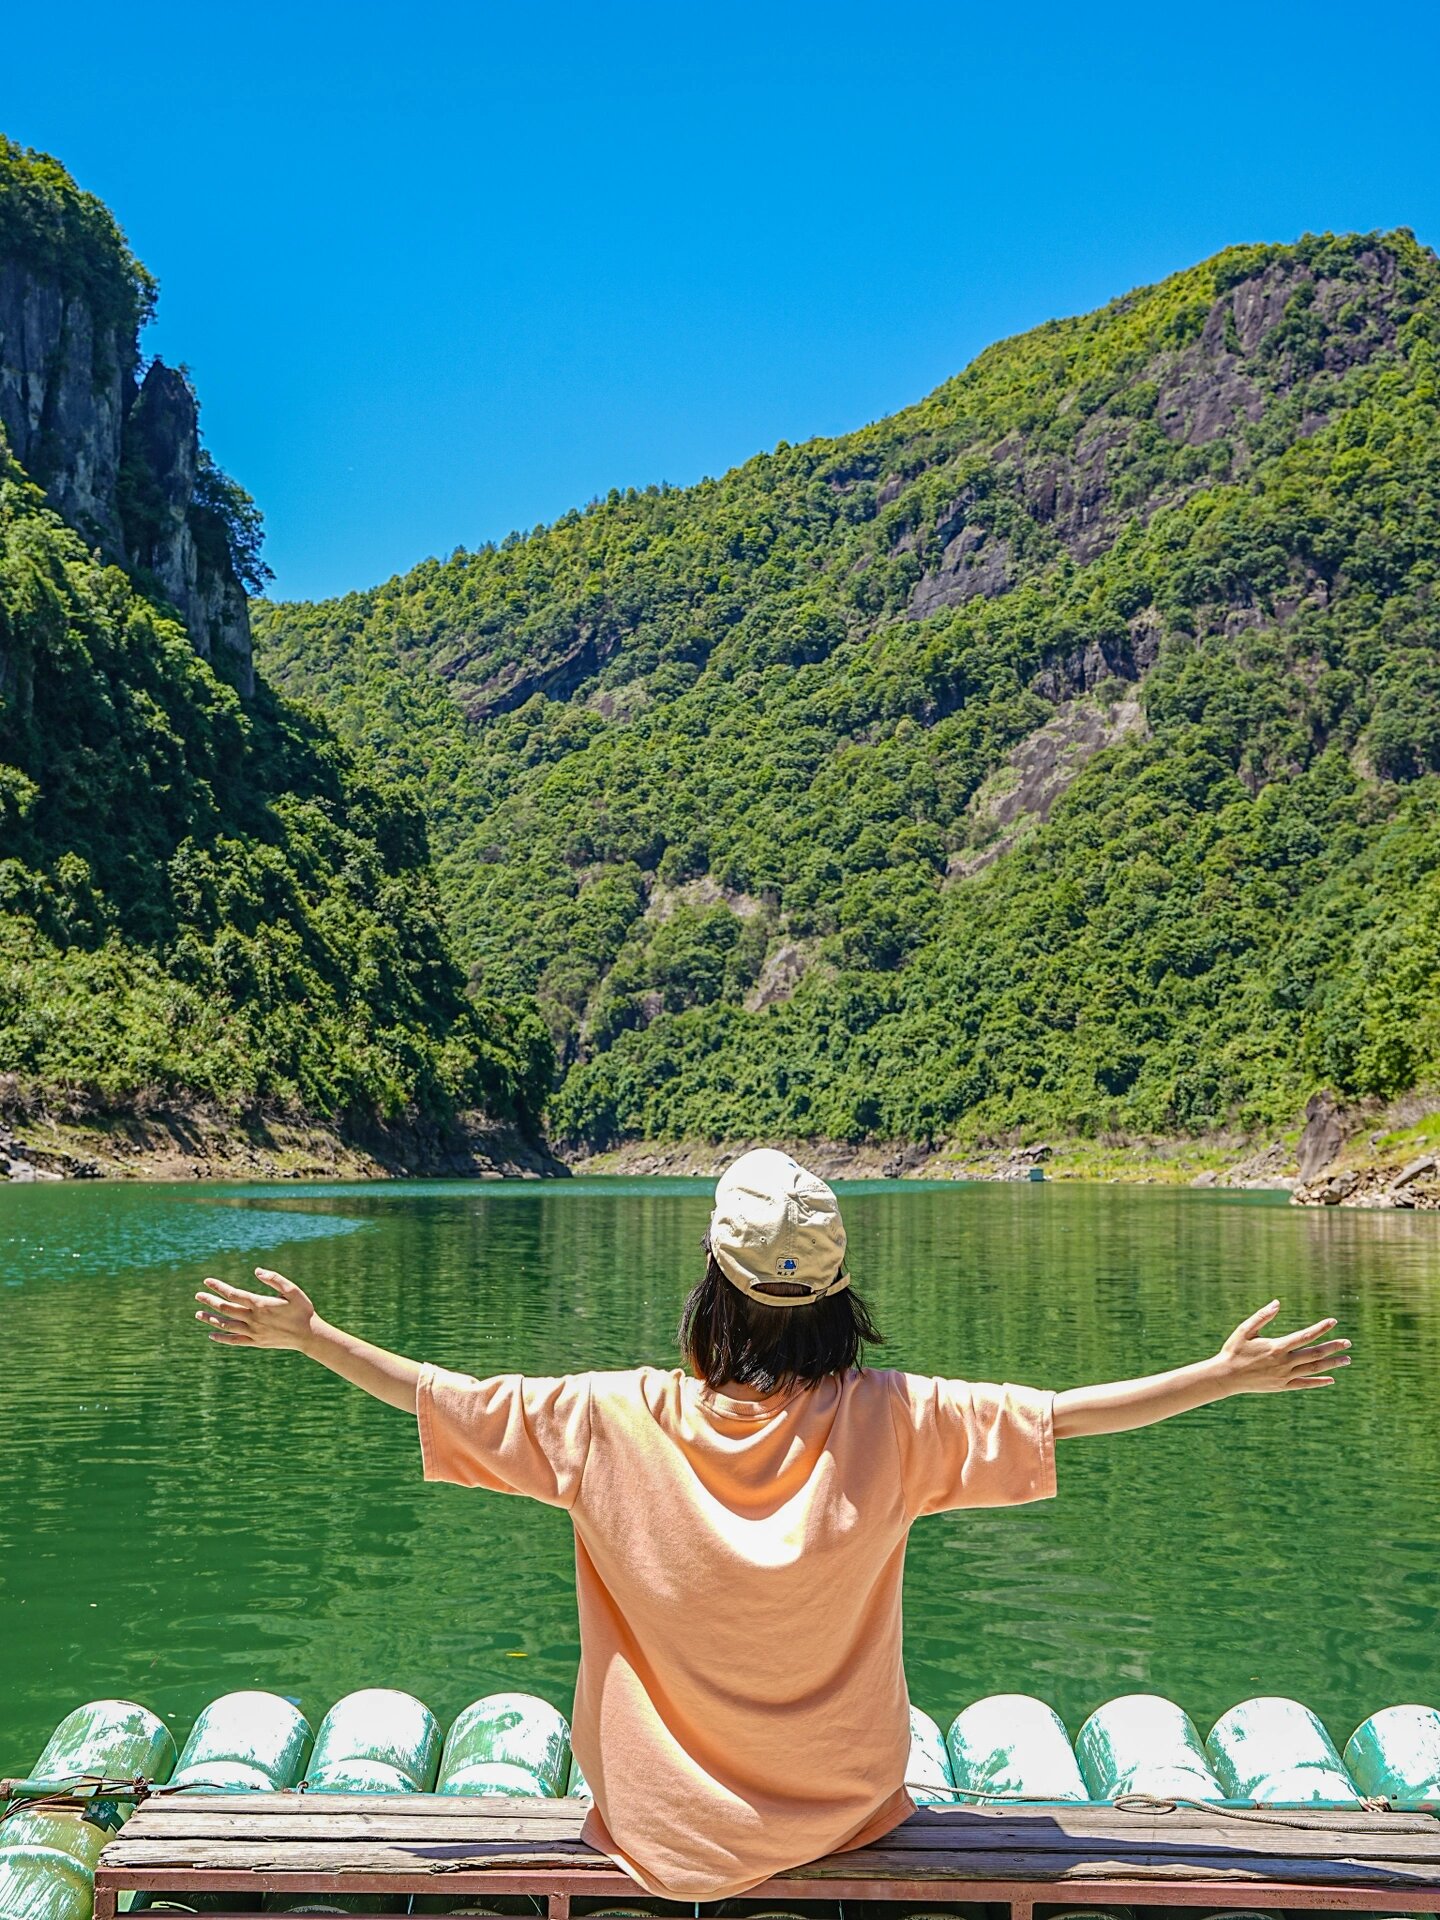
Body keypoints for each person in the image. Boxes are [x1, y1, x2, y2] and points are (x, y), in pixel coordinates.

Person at [194, 1147, 1349, 1902]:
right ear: (840, 1296)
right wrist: (1217, 1376)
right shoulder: (901, 1421)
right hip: (847, 1808)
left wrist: (315, 1337)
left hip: (662, 1835)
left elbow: (443, 1394)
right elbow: (1067, 1417)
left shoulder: (607, 1419)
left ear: (711, 1276)